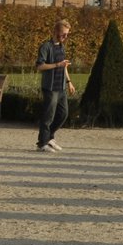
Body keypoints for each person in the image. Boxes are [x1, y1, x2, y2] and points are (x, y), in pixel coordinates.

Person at [35, 19, 75, 152]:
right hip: (50, 87)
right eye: (63, 34)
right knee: (48, 116)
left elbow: (64, 66)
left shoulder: (61, 47)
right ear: (56, 31)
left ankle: (49, 137)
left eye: (67, 34)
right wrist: (57, 65)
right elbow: (40, 66)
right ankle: (42, 143)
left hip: (61, 86)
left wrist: (69, 82)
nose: (65, 36)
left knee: (63, 114)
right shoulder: (46, 47)